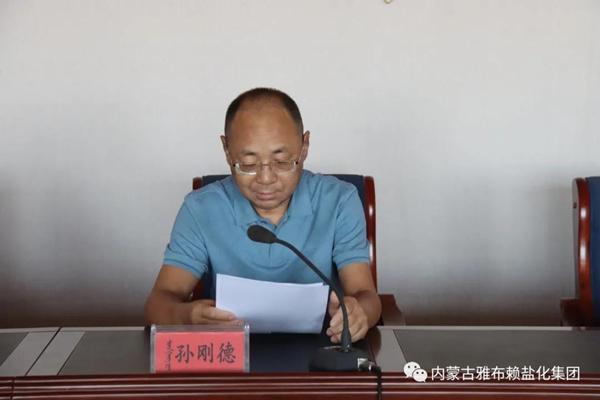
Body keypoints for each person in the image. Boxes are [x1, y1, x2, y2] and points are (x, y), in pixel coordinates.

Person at [144, 88, 381, 343]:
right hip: (229, 353)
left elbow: (365, 295)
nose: (266, 179)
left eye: (282, 162)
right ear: (227, 150)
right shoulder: (201, 208)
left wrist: (359, 314)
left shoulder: (339, 201)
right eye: (248, 164)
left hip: (325, 348)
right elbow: (158, 303)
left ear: (304, 147)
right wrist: (186, 316)